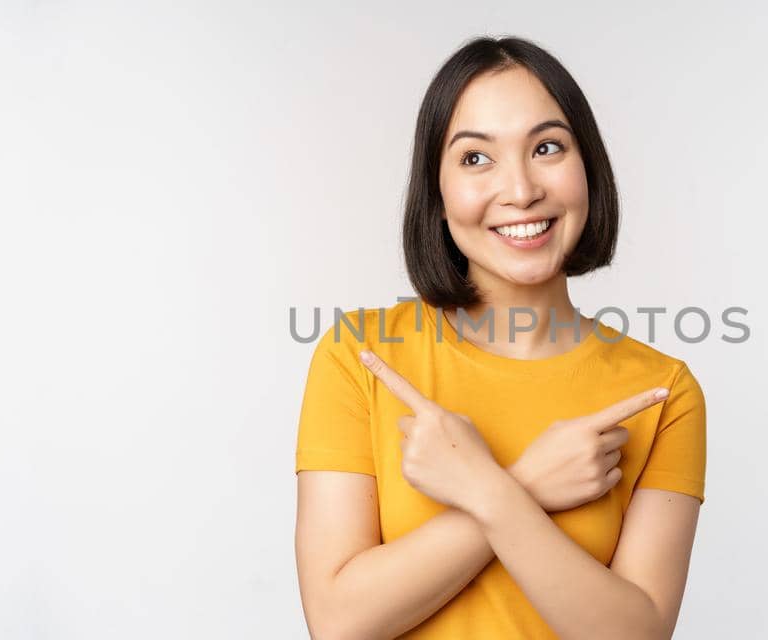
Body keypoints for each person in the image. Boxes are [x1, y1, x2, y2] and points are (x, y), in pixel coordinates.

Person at [293, 36, 706, 639]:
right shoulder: (361, 357)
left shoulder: (661, 391)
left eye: (546, 148)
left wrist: (489, 492)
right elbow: (338, 623)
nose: (520, 190)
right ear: (436, 192)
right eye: (475, 158)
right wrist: (529, 484)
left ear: (587, 166)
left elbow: (635, 635)